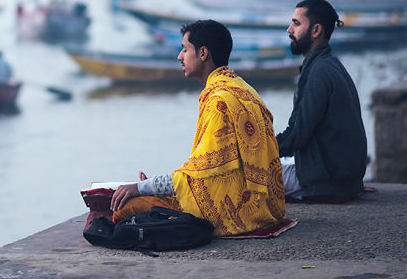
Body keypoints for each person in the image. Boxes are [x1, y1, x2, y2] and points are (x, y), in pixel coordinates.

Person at [109, 20, 285, 236]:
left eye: (185, 49)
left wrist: (140, 187)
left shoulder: (220, 102)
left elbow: (200, 172)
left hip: (239, 212)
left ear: (202, 53)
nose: (179, 56)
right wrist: (154, 187)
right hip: (266, 205)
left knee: (125, 208)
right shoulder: (243, 88)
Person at [276, 0, 367, 201]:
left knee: (241, 175)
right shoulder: (328, 65)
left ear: (316, 30)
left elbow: (297, 134)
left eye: (296, 24)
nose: (289, 29)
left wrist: (258, 152)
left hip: (325, 183)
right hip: (341, 179)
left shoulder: (320, 72)